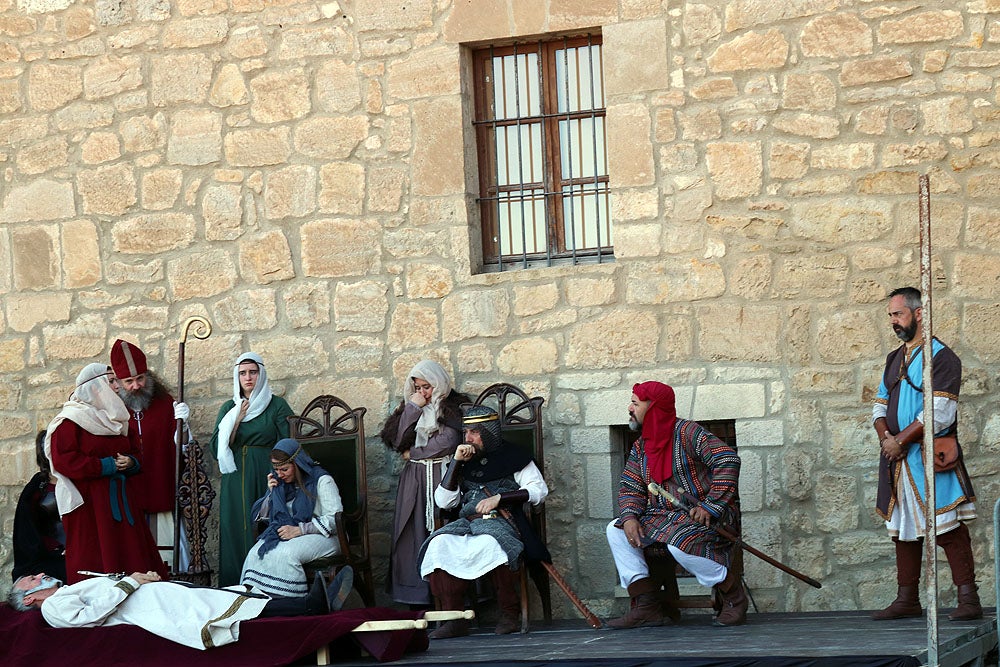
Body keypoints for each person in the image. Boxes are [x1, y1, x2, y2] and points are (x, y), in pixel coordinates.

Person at [871, 286, 980, 621]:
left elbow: (940, 411)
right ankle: (907, 599)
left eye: (898, 314)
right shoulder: (894, 359)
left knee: (946, 525)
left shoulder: (942, 357)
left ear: (919, 313)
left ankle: (969, 600)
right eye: (890, 315)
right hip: (897, 458)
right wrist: (886, 439)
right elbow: (878, 404)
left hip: (929, 456)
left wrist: (901, 440)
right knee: (903, 527)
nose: (893, 321)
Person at [605, 381, 745, 628]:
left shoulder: (689, 432)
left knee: (680, 543)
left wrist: (711, 505)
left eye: (635, 403)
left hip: (705, 517)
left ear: (654, 407)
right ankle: (647, 604)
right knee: (615, 530)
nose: (630, 408)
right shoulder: (641, 446)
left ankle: (732, 593)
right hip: (662, 518)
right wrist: (629, 518)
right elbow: (630, 486)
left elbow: (727, 459)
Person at [416, 405, 549, 638]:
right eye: (465, 433)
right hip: (467, 523)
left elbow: (539, 490)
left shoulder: (515, 456)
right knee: (438, 544)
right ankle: (454, 617)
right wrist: (456, 463)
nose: (467, 439)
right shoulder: (463, 461)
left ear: (489, 432)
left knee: (492, 543)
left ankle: (509, 613)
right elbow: (444, 502)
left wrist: (500, 498)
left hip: (502, 522)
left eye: (474, 432)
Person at [7, 567, 355, 650]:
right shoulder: (52, 607)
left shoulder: (63, 591)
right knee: (225, 609)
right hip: (146, 607)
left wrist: (136, 577)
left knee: (227, 599)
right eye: (30, 580)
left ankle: (308, 604)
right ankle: (310, 605)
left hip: (150, 596)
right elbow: (88, 617)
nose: (39, 575)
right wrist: (133, 582)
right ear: (28, 599)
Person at [44, 363, 168, 585]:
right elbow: (64, 460)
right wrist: (105, 466)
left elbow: (135, 452)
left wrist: (132, 462)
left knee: (133, 555)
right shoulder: (70, 421)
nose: (117, 386)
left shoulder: (116, 419)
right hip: (91, 505)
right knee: (98, 557)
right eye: (111, 381)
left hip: (122, 502)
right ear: (94, 386)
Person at [379, 360, 469, 607]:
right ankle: (418, 599)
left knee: (444, 530)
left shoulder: (453, 407)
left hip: (443, 475)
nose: (423, 393)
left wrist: (415, 453)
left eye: (427, 387)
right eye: (417, 387)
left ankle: (451, 598)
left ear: (438, 383)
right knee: (411, 532)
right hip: (415, 480)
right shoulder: (410, 407)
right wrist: (412, 409)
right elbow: (398, 442)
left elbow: (448, 442)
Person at [209, 352, 295, 586]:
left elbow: (289, 442)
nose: (248, 378)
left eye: (253, 372)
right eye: (243, 373)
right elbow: (217, 447)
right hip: (235, 477)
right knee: (235, 527)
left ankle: (267, 584)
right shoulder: (230, 407)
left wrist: (279, 471)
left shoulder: (276, 405)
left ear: (261, 374)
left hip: (266, 473)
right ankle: (235, 586)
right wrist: (236, 419)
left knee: (265, 524)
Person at [110, 339, 191, 571]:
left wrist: (183, 425)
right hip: (128, 498)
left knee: (171, 561)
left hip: (161, 492)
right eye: (129, 381)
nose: (136, 386)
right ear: (118, 382)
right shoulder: (113, 411)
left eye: (140, 378)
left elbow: (184, 448)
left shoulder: (166, 404)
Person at [240, 438, 344, 598]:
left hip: (328, 537)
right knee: (255, 553)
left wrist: (300, 530)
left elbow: (335, 520)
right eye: (276, 469)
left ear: (298, 463)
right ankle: (261, 603)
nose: (280, 474)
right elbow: (267, 516)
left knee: (287, 554)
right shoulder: (282, 484)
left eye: (284, 469)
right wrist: (272, 492)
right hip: (292, 534)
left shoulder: (322, 481)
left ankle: (292, 603)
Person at [11, 430, 66, 583]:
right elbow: (26, 532)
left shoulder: (80, 483)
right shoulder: (36, 489)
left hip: (82, 552)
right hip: (48, 561)